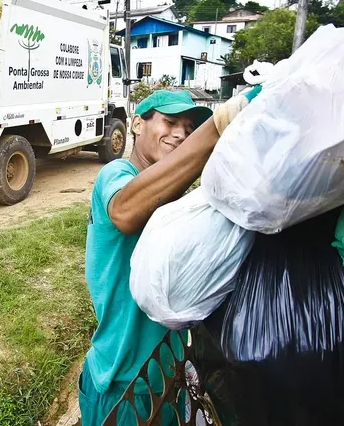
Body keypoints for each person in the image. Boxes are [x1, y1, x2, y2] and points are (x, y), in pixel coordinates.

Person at [78, 89, 250, 425]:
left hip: (168, 376)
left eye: (188, 129)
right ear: (137, 124)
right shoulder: (116, 175)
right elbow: (125, 213)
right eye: (170, 122)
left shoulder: (171, 196)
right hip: (124, 386)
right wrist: (216, 128)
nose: (180, 134)